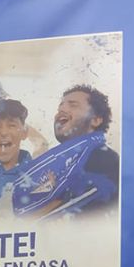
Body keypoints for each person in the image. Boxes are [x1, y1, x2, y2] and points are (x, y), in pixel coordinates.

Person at [51, 84, 119, 212]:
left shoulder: (107, 161)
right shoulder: (59, 164)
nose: (62, 110)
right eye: (60, 106)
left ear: (96, 120)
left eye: (73, 105)